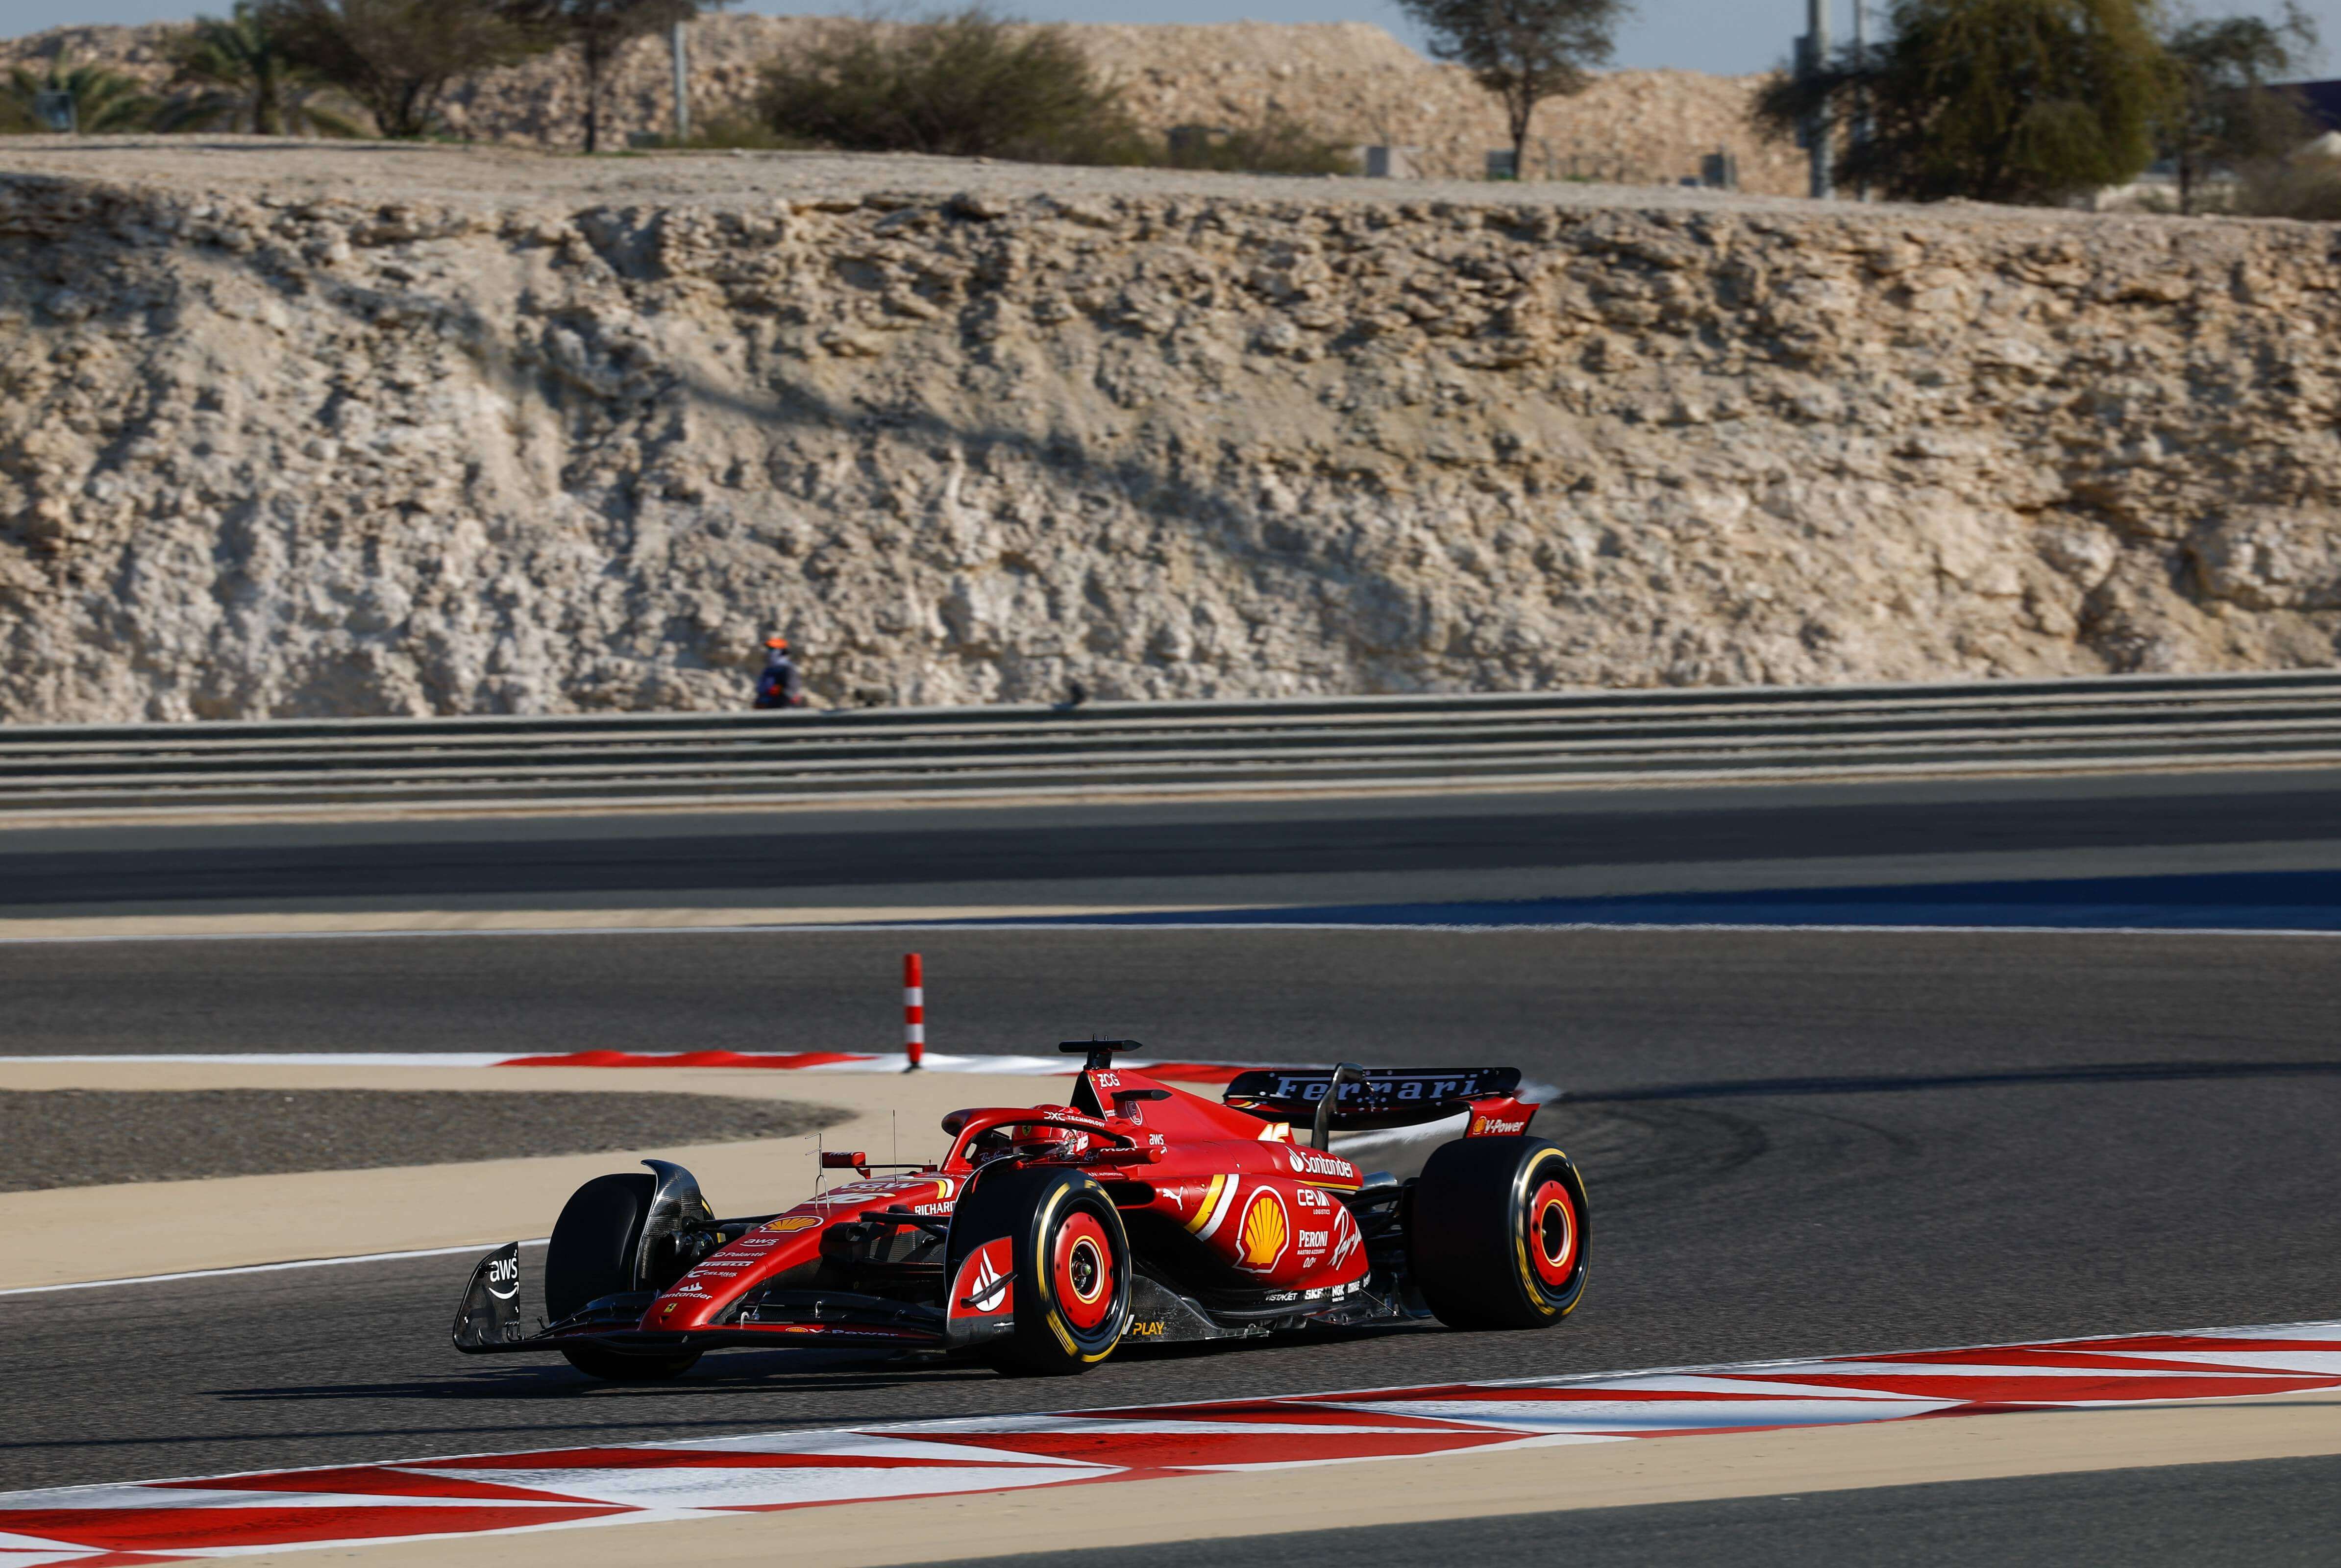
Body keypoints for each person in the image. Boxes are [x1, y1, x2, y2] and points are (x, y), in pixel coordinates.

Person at [754, 636, 805, 710]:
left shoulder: (788, 669)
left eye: (772, 649)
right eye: (769, 649)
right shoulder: (768, 670)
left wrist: (779, 692)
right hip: (767, 710)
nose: (768, 652)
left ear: (782, 652)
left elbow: (791, 693)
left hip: (783, 711)